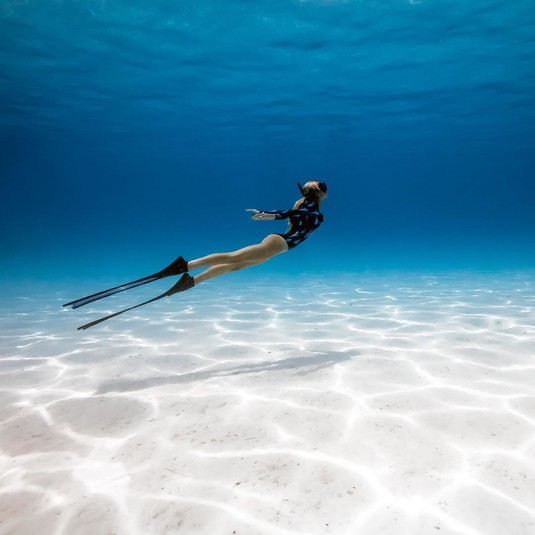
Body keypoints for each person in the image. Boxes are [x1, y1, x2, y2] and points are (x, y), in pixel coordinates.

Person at [64, 181, 327, 330]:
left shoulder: (307, 204)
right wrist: (273, 214)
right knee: (233, 257)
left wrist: (282, 211)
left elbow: (298, 212)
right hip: (279, 242)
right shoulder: (309, 206)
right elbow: (299, 213)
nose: (324, 189)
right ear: (317, 192)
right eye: (321, 186)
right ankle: (184, 266)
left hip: (281, 246)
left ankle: (191, 281)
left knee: (234, 266)